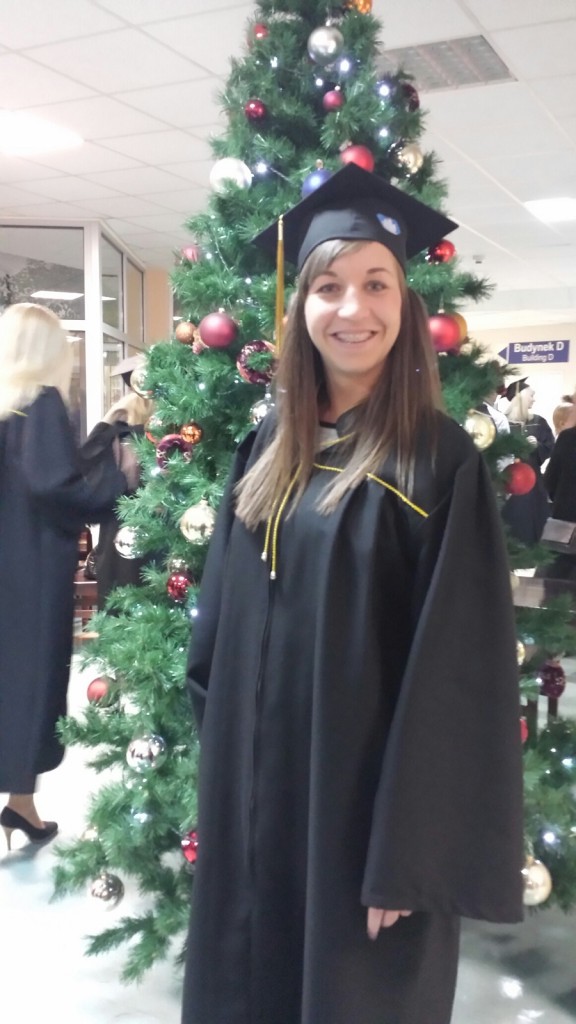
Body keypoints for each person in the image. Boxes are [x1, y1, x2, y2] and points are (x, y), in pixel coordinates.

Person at [181, 164, 524, 1024]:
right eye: (328, 286)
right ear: (298, 309)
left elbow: (458, 679)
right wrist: (228, 784)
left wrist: (408, 856)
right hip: (256, 815)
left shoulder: (439, 464)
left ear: (406, 305)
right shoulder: (265, 447)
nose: (352, 308)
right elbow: (216, 639)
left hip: (358, 829)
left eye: (376, 284)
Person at [0, 303, 136, 851]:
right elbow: (55, 486)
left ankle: (21, 805)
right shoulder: (43, 405)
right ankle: (19, 799)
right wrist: (119, 487)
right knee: (30, 679)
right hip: (30, 568)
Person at [80, 390, 154, 609]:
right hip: (159, 543)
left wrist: (106, 423)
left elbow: (91, 486)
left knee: (120, 617)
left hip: (117, 543)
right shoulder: (167, 442)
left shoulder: (115, 441)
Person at [501, 379, 553, 545]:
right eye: (531, 395)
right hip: (507, 481)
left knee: (532, 518)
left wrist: (536, 445)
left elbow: (549, 446)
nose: (533, 399)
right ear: (521, 397)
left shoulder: (538, 421)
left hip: (532, 481)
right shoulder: (503, 422)